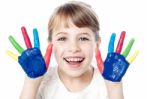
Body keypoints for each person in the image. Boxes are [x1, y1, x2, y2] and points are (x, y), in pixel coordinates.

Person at [7, 1, 138, 99]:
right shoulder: (42, 81)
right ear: (50, 45)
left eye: (83, 38)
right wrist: (31, 82)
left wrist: (114, 87)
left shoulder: (106, 82)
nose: (74, 48)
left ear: (96, 44)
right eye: (63, 38)